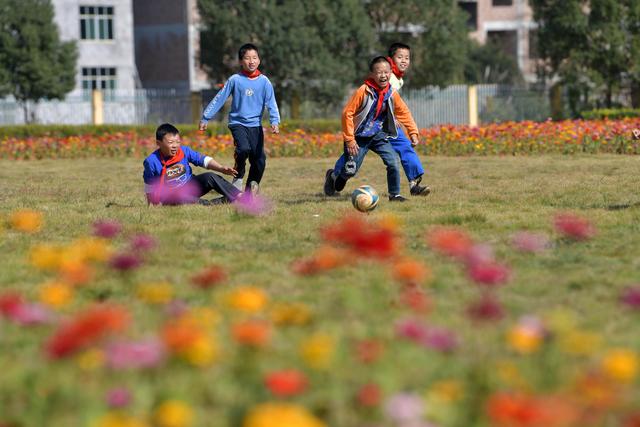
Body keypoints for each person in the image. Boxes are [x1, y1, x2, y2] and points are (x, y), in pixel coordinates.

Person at [326, 43, 429, 197]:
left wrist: (413, 131)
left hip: (381, 131)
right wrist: (350, 139)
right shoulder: (367, 88)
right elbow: (348, 113)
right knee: (351, 165)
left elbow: (402, 110)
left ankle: (405, 189)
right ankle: (336, 176)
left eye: (407, 58)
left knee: (398, 154)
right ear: (391, 60)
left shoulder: (393, 86)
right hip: (361, 134)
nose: (404, 61)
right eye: (400, 57)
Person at [199, 43, 280, 194]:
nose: (251, 61)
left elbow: (271, 102)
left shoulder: (264, 82)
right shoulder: (235, 80)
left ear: (259, 60)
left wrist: (274, 121)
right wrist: (206, 117)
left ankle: (250, 191)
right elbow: (220, 98)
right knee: (243, 149)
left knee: (259, 160)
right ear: (241, 61)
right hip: (238, 123)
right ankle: (238, 175)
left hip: (255, 126)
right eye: (247, 58)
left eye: (254, 58)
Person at [143, 123, 241, 205]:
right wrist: (151, 204)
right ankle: (213, 204)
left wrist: (221, 168)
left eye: (177, 142)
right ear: (158, 143)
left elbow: (203, 160)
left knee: (209, 176)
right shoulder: (151, 161)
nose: (175, 146)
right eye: (171, 142)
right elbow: (149, 185)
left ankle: (239, 196)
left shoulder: (184, 151)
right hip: (171, 197)